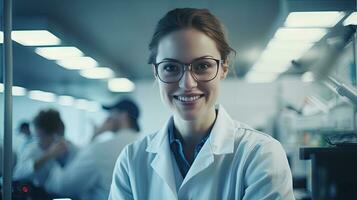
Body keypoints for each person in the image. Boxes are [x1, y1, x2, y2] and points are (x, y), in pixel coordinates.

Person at [109, 8, 295, 200]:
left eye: (203, 66)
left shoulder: (260, 154)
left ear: (223, 68)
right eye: (171, 67)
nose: (187, 83)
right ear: (156, 73)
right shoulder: (131, 160)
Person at [44, 99, 141, 200]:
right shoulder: (141, 144)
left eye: (112, 113)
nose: (108, 117)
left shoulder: (102, 148)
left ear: (123, 115)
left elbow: (64, 186)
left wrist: (53, 158)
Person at [13, 109, 78, 187]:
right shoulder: (32, 149)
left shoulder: (70, 149)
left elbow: (74, 180)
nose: (38, 140)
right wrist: (47, 156)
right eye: (36, 136)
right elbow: (17, 174)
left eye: (39, 136)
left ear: (54, 135)